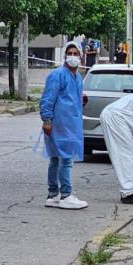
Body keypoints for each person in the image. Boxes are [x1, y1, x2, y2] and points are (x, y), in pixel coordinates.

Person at [39, 41, 87, 210]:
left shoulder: (78, 77)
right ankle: (66, 194)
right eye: (70, 53)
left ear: (81, 56)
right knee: (65, 158)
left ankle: (53, 195)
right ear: (65, 56)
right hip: (59, 123)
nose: (73, 57)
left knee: (55, 158)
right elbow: (47, 98)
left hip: (70, 123)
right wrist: (47, 119)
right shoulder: (58, 74)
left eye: (76, 54)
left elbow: (72, 99)